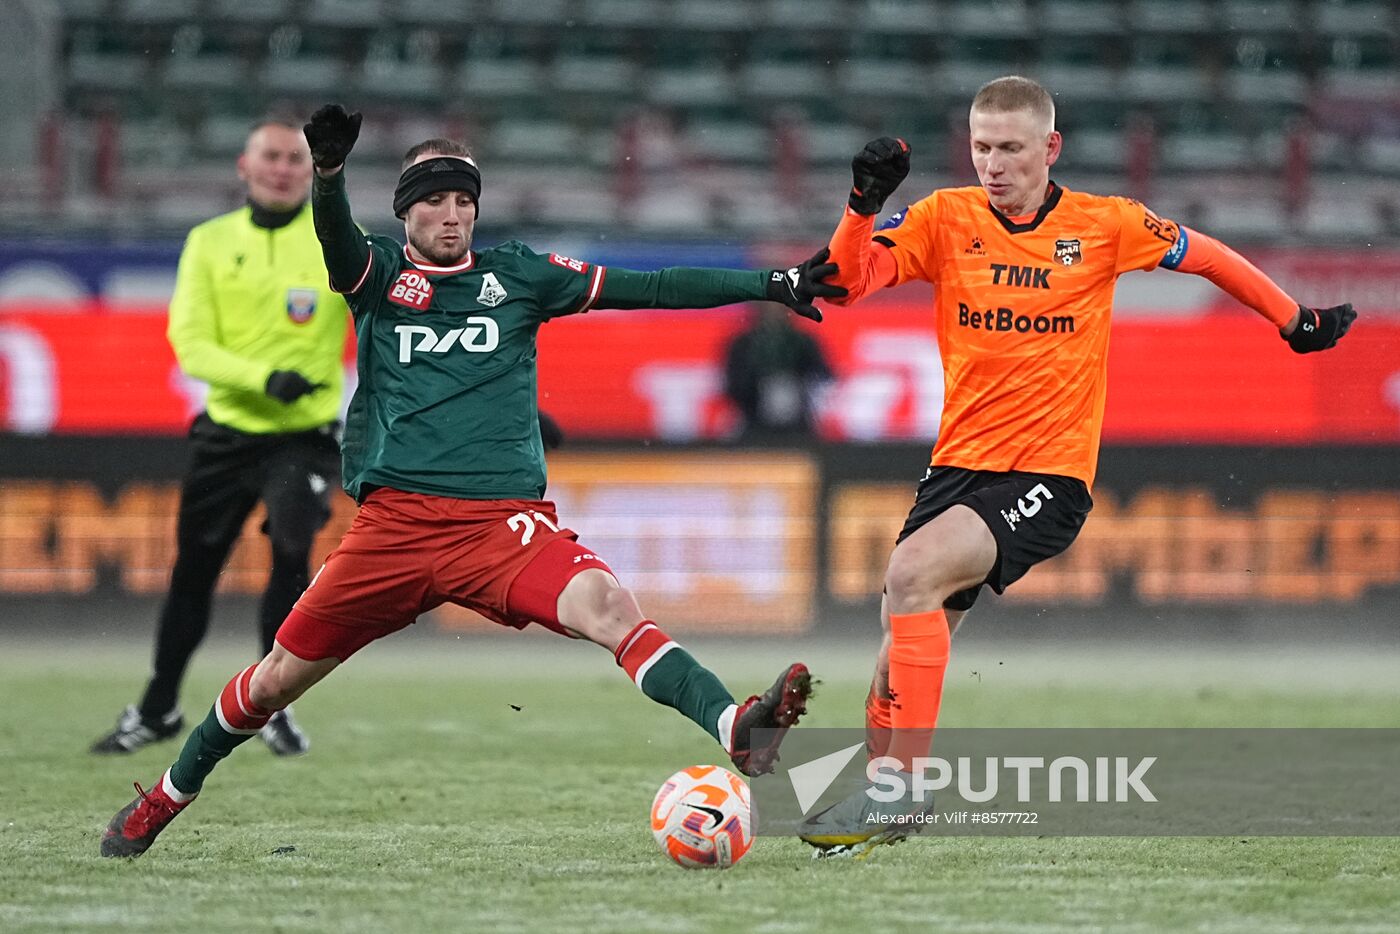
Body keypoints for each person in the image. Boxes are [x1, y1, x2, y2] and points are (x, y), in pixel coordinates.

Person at [100, 104, 843, 858]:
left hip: (500, 527)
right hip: (393, 530)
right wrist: (327, 178)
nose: (451, 216)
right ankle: (166, 795)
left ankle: (737, 729)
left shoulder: (517, 274)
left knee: (609, 606)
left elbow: (648, 286)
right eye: (433, 201)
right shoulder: (379, 272)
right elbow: (335, 243)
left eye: (463, 202)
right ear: (405, 210)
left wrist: (771, 282)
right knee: (273, 681)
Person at [797, 76, 1357, 857]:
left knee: (910, 573)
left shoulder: (1105, 224)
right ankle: (886, 792)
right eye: (981, 146)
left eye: (1011, 148)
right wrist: (860, 206)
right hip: (955, 468)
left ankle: (900, 792)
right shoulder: (942, 219)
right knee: (901, 634)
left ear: (1050, 148)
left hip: (1048, 475)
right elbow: (847, 284)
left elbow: (1205, 255)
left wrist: (1291, 317)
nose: (992, 163)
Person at [91, 118, 354, 759]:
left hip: (305, 437)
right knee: (194, 573)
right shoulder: (209, 242)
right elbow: (190, 343)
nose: (284, 168)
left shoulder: (336, 241)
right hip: (227, 436)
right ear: (244, 165)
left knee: (291, 559)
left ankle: (270, 708)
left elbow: (386, 320)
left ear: (309, 168)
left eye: (296, 158)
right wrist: (265, 378)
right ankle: (158, 708)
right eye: (272, 156)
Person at [722, 302, 833, 440]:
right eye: (768, 304)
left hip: (798, 424)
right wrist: (758, 388)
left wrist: (796, 385)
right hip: (755, 423)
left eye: (779, 305)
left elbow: (823, 376)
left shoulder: (803, 342)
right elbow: (733, 383)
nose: (773, 310)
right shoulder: (743, 344)